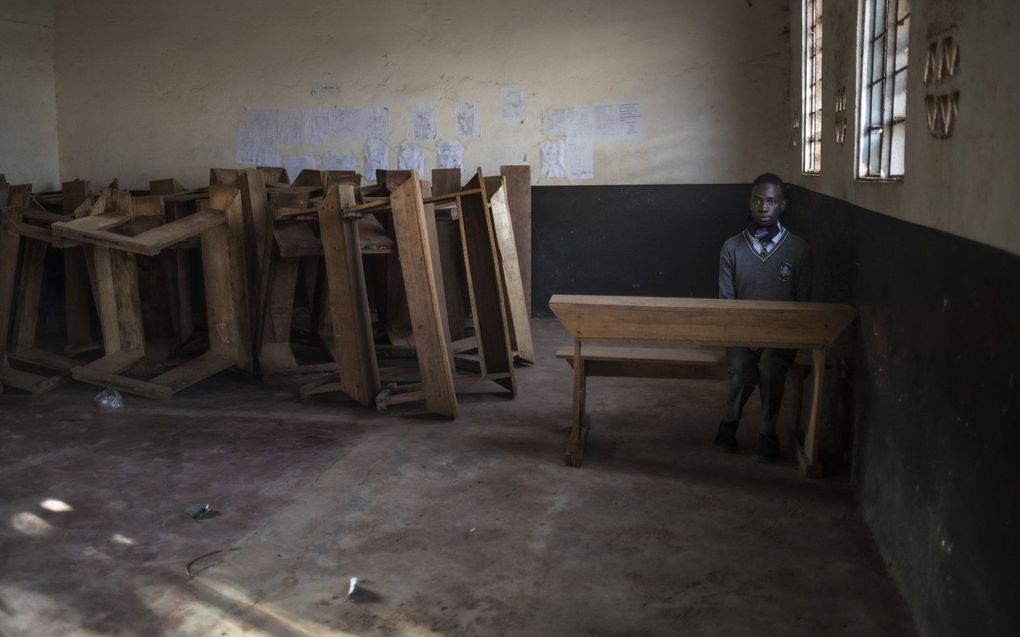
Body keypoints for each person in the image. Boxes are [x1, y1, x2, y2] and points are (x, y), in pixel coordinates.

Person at [714, 173, 811, 461]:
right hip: (740, 335)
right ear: (750, 203)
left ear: (783, 205)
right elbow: (726, 302)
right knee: (742, 369)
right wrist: (745, 337)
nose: (763, 207)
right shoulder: (732, 247)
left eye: (771, 201)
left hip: (781, 337)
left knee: (770, 366)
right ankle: (729, 421)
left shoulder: (798, 250)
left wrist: (779, 337)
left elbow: (803, 303)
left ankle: (768, 431)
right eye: (757, 200)